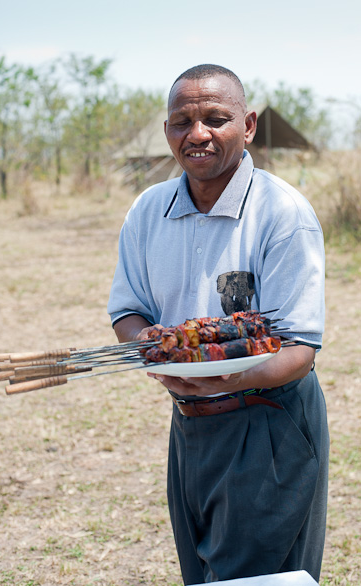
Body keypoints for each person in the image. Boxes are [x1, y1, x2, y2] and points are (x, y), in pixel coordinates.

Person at [107, 64, 329, 585]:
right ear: (167, 133)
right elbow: (128, 309)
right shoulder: (148, 210)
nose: (198, 133)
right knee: (202, 574)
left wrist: (227, 375)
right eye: (182, 121)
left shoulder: (282, 213)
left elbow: (299, 349)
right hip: (188, 422)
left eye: (216, 118)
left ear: (248, 125)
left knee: (254, 579)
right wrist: (153, 345)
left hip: (267, 420)